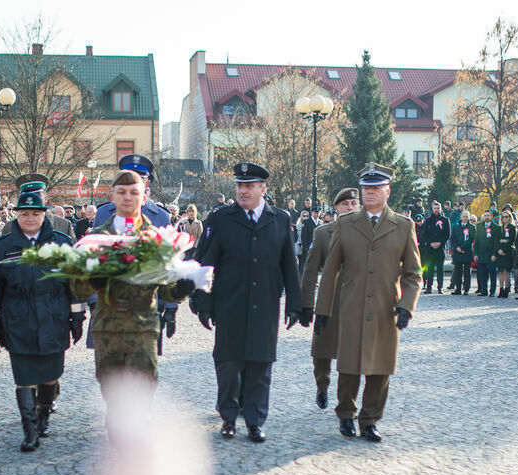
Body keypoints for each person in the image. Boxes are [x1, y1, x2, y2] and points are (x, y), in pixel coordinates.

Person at [191, 161, 302, 443]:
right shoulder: (222, 218)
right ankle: (228, 417)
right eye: (239, 185)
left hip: (265, 306)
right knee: (228, 365)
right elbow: (207, 262)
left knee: (260, 366)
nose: (243, 190)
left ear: (263, 189)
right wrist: (203, 302)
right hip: (230, 305)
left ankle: (254, 420)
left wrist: (294, 304)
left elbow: (290, 265)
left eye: (249, 186)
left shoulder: (279, 220)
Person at [314, 162, 422, 443]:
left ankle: (370, 419)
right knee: (349, 365)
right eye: (366, 189)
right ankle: (346, 414)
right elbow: (330, 271)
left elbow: (414, 274)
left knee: (380, 368)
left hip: (386, 308)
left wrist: (407, 306)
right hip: (351, 307)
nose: (369, 193)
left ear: (387, 191)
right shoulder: (346, 224)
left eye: (375, 188)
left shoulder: (403, 226)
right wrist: (322, 309)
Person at [70, 169, 195, 407]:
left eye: (134, 192)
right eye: (122, 192)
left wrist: (181, 289)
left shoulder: (158, 239)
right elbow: (78, 289)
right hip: (108, 328)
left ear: (143, 197)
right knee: (112, 391)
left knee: (143, 389)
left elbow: (166, 289)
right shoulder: (95, 239)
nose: (128, 197)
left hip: (142, 327)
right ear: (113, 196)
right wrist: (92, 280)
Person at [0, 185, 82, 452]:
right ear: (17, 215)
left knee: (51, 375)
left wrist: (77, 318)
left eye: (35, 213)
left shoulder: (62, 243)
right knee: (24, 376)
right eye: (24, 213)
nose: (30, 218)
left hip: (54, 318)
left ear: (44, 214)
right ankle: (29, 429)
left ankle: (43, 417)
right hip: (18, 321)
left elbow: (73, 283)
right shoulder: (3, 248)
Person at [300, 186, 359, 408]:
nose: (350, 207)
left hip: (356, 303)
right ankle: (322, 386)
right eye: (345, 204)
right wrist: (306, 304)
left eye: (354, 204)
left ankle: (346, 402)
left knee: (351, 355)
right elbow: (310, 269)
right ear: (336, 208)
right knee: (322, 353)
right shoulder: (323, 233)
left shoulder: (366, 233)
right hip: (329, 301)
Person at [92, 155, 172, 228]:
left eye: (139, 179)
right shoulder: (103, 212)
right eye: (126, 178)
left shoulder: (162, 216)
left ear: (147, 183)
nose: (127, 197)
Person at [419, 200, 451, 294]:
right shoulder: (428, 221)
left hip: (441, 248)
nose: (436, 210)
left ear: (440, 209)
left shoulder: (445, 220)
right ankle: (429, 287)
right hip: (430, 249)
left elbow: (447, 234)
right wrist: (430, 243)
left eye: (438, 208)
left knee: (440, 268)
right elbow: (424, 235)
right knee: (430, 269)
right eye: (435, 208)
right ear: (432, 209)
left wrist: (440, 242)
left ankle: (440, 288)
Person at [450, 211, 475, 294]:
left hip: (467, 251)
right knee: (458, 271)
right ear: (460, 217)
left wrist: (463, 247)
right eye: (463, 216)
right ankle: (458, 289)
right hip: (458, 252)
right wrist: (457, 248)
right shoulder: (456, 227)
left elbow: (471, 239)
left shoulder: (472, 227)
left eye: (466, 216)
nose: (465, 218)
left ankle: (466, 289)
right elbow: (452, 238)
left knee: (467, 272)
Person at [475, 210, 498, 296]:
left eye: (488, 215)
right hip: (481, 253)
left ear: (492, 217)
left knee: (492, 274)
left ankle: (492, 291)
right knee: (482, 274)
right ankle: (484, 290)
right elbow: (477, 241)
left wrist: (494, 254)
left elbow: (496, 243)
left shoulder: (496, 227)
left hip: (491, 254)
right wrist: (476, 254)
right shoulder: (479, 226)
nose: (486, 217)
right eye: (485, 215)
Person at [494, 209, 516, 298]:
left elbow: (511, 240)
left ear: (510, 218)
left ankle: (507, 289)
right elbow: (496, 240)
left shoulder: (512, 227)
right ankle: (501, 289)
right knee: (500, 272)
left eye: (506, 217)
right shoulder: (499, 228)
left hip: (507, 251)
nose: (504, 218)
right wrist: (498, 250)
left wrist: (504, 250)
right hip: (500, 251)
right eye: (502, 217)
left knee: (506, 271)